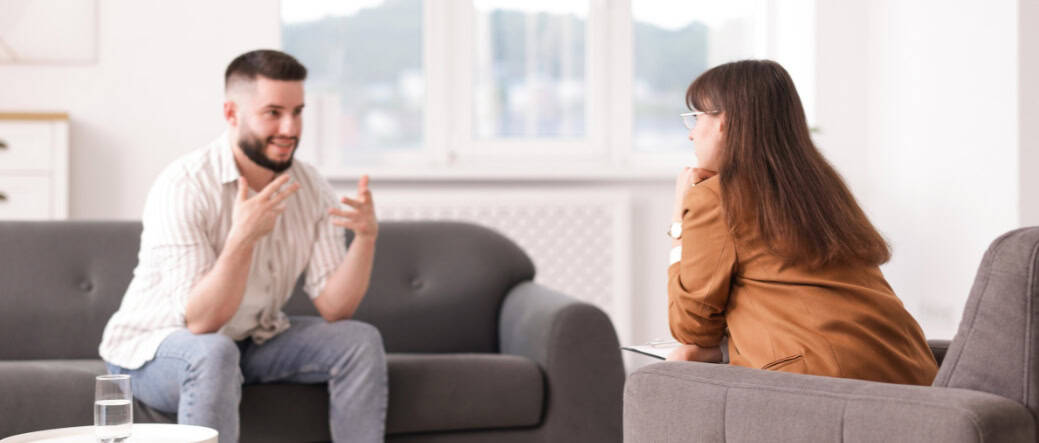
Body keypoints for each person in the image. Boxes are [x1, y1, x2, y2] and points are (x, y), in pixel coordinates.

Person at [98, 49, 387, 442]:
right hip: (154, 350)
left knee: (359, 340)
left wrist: (366, 239)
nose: (290, 128)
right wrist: (243, 238)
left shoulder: (312, 188)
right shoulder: (184, 185)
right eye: (273, 113)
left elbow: (336, 307)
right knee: (214, 352)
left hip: (250, 340)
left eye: (297, 111)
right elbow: (201, 323)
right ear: (232, 114)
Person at [665, 59, 938, 385]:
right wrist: (721, 350)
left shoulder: (715, 196)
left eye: (696, 118)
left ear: (723, 121)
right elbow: (789, 297)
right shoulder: (818, 185)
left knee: (669, 373)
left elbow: (690, 326)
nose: (692, 134)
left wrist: (679, 219)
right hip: (913, 373)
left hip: (823, 385)